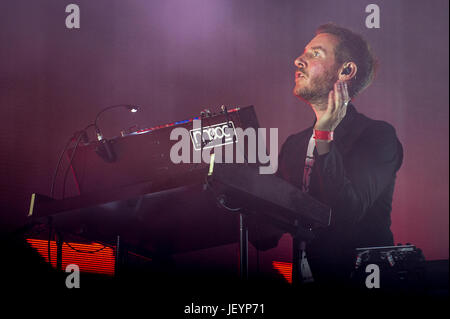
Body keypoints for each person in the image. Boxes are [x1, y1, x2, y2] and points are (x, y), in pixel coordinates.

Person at [277, 23, 403, 284]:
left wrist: (324, 136)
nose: (298, 60)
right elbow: (264, 238)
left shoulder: (378, 136)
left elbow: (346, 213)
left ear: (346, 70)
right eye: (304, 53)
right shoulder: (293, 145)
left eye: (315, 54)